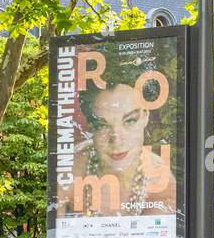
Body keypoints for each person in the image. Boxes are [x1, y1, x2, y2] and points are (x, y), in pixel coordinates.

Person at [65, 60, 177, 219]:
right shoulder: (72, 167)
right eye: (102, 125)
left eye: (129, 120)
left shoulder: (162, 183)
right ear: (90, 126)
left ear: (145, 116)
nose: (116, 140)